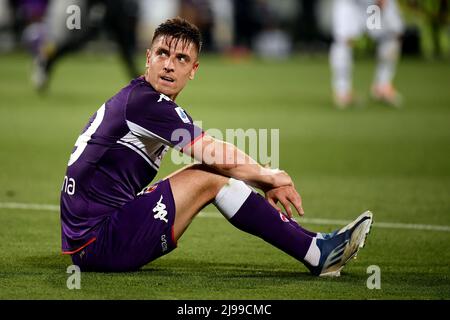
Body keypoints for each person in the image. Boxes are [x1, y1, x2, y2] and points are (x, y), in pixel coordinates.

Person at [60, 17, 373, 277]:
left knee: (209, 172)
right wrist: (270, 176)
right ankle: (318, 253)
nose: (169, 65)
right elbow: (212, 152)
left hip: (95, 237)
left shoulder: (145, 101)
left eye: (181, 58)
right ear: (147, 58)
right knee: (210, 176)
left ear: (193, 69)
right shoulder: (147, 104)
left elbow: (214, 152)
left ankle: (318, 247)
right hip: (97, 244)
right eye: (162, 54)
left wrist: (263, 177)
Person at [32, 0, 139, 91]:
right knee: (80, 40)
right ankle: (47, 60)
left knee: (125, 45)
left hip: (116, 6)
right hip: (99, 4)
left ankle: (140, 83)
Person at [330, 0, 404, 108]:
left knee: (391, 36)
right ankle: (342, 91)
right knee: (344, 40)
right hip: (351, 4)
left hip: (373, 5)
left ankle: (382, 86)